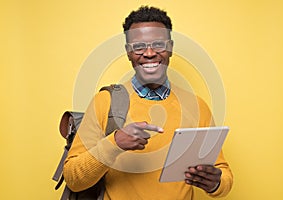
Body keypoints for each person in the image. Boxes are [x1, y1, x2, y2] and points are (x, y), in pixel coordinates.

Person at [63, 6, 233, 199]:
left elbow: (223, 174)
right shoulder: (104, 102)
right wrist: (115, 142)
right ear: (128, 52)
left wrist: (216, 183)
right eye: (139, 46)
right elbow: (73, 179)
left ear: (170, 48)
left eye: (158, 44)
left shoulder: (197, 106)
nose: (150, 53)